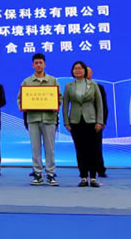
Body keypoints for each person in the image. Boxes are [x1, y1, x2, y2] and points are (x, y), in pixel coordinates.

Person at [19, 53, 61, 186]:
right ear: (33, 65)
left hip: (49, 119)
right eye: (36, 63)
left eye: (40, 62)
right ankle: (37, 174)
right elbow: (20, 99)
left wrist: (56, 104)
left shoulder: (53, 81)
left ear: (45, 64)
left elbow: (59, 97)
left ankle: (50, 174)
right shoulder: (27, 82)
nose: (38, 65)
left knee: (50, 148)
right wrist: (22, 106)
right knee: (35, 148)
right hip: (33, 119)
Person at [62, 61, 105, 188]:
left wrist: (100, 121)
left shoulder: (93, 84)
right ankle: (83, 177)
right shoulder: (69, 86)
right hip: (75, 121)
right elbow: (65, 105)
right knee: (80, 150)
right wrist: (66, 122)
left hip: (91, 121)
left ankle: (93, 177)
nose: (78, 70)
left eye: (80, 68)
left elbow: (99, 104)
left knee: (92, 150)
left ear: (85, 71)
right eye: (75, 68)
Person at [87, 67, 109, 178]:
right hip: (82, 121)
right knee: (84, 147)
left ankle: (100, 169)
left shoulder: (99, 87)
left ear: (91, 73)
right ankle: (85, 169)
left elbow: (104, 105)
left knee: (97, 146)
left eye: (87, 71)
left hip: (96, 121)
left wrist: (102, 121)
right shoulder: (75, 87)